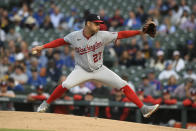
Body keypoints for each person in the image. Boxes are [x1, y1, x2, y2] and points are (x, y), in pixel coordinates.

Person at [32, 13, 159, 118]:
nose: (99, 26)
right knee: (65, 84)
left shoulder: (103, 35)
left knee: (123, 84)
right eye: (96, 23)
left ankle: (143, 108)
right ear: (88, 23)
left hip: (99, 69)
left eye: (99, 23)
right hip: (81, 70)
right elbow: (60, 41)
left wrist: (140, 32)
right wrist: (43, 47)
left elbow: (121, 34)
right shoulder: (74, 36)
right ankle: (46, 103)